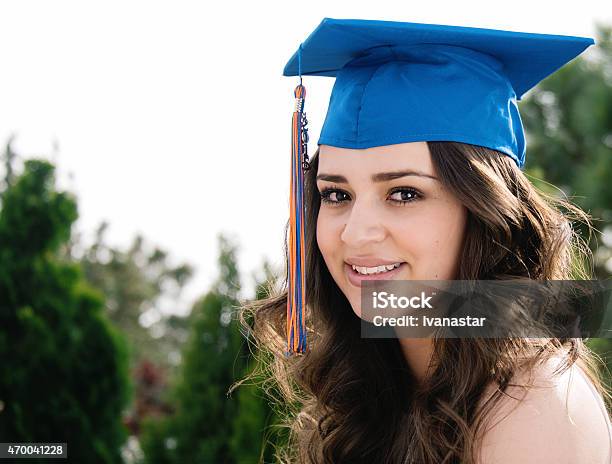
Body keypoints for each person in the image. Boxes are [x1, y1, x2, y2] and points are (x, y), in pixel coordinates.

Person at [239, 18, 612, 463]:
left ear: (483, 211)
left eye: (404, 193)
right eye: (336, 195)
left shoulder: (530, 404)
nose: (356, 232)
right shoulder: (384, 386)